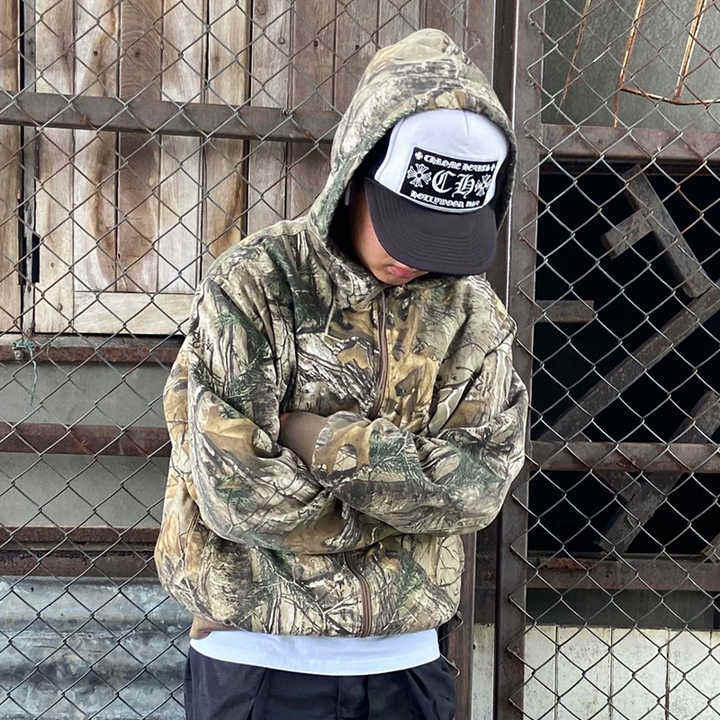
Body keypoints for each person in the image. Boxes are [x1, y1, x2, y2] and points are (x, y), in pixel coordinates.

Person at [154, 27, 529, 720]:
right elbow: (237, 493)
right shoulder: (257, 283)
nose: (416, 258)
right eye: (404, 223)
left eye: (444, 234)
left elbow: (478, 490)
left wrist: (322, 442)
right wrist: (403, 509)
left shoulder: (473, 315)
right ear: (356, 174)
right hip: (255, 659)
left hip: (407, 666)